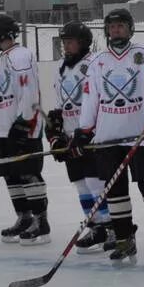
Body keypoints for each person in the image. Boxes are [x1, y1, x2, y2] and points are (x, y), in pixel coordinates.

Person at [73, 8, 144, 266]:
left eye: (120, 26)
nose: (115, 30)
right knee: (115, 192)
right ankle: (124, 239)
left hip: (139, 136)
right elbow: (91, 98)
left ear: (130, 28)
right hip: (108, 139)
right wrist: (84, 131)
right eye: (111, 26)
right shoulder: (97, 62)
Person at [46, 21, 113, 254]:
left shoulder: (94, 63)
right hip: (70, 135)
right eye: (64, 41)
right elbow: (58, 104)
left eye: (70, 41)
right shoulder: (61, 68)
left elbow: (101, 99)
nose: (66, 45)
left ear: (83, 42)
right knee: (81, 185)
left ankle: (111, 227)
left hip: (90, 135)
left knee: (96, 182)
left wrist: (89, 132)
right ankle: (95, 227)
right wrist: (55, 134)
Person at [0, 15, 51, 244]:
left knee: (28, 172)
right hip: (6, 128)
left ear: (1, 34)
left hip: (24, 127)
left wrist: (24, 122)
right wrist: (2, 128)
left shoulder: (21, 55)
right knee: (11, 175)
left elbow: (29, 92)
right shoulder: (3, 58)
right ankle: (24, 217)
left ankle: (40, 221)